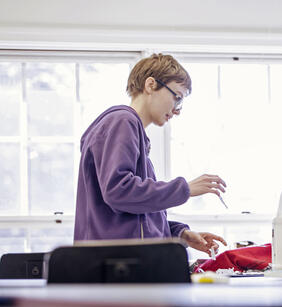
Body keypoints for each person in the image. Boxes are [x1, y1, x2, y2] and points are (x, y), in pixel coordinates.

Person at [74, 53, 227, 255]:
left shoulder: (128, 129)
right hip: (118, 266)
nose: (177, 110)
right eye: (177, 97)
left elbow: (135, 215)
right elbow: (119, 192)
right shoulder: (123, 121)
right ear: (150, 85)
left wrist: (180, 233)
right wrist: (185, 189)